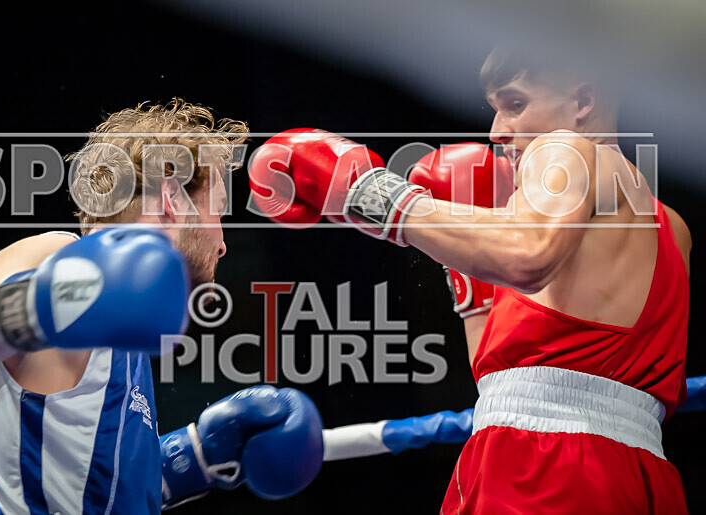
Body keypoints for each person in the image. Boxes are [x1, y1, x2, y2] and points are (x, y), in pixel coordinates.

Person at [248, 44, 690, 512]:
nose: (499, 132)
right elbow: (510, 378)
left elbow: (525, 254)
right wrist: (473, 285)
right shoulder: (673, 229)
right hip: (640, 472)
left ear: (583, 101)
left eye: (516, 104)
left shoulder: (567, 150)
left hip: (540, 466)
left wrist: (372, 195)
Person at [0, 99, 323, 514]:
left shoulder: (126, 334)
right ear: (171, 199)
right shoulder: (59, 256)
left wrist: (196, 458)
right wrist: (59, 300)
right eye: (217, 209)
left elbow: (86, 491)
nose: (222, 243)